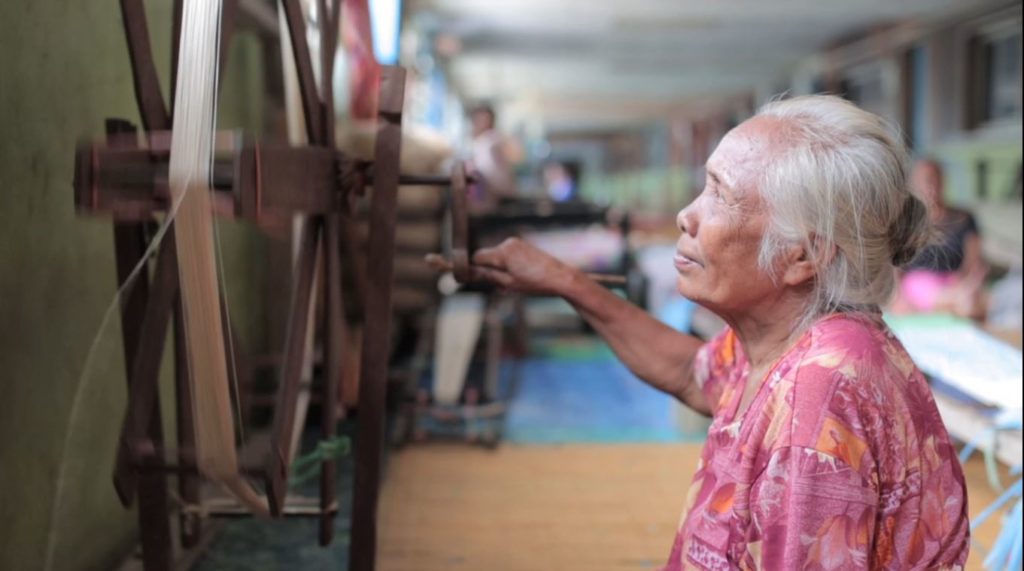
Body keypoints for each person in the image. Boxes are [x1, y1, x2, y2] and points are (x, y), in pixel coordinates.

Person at [465, 96, 970, 569]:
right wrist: (562, 280)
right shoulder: (799, 339)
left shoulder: (818, 399)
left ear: (804, 255)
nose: (687, 216)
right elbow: (692, 372)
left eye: (720, 196)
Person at [892, 158, 987, 319]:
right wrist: (898, 296)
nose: (932, 184)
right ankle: (954, 303)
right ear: (915, 184)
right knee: (967, 304)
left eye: (936, 178)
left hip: (955, 283)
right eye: (926, 180)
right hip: (919, 285)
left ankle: (953, 302)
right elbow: (895, 267)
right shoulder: (907, 222)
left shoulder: (964, 218)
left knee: (969, 301)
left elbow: (974, 261)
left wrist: (964, 281)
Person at [466, 104, 517, 212]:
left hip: (495, 194)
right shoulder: (477, 141)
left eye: (485, 119)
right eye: (479, 119)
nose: (482, 123)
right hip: (490, 194)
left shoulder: (492, 139)